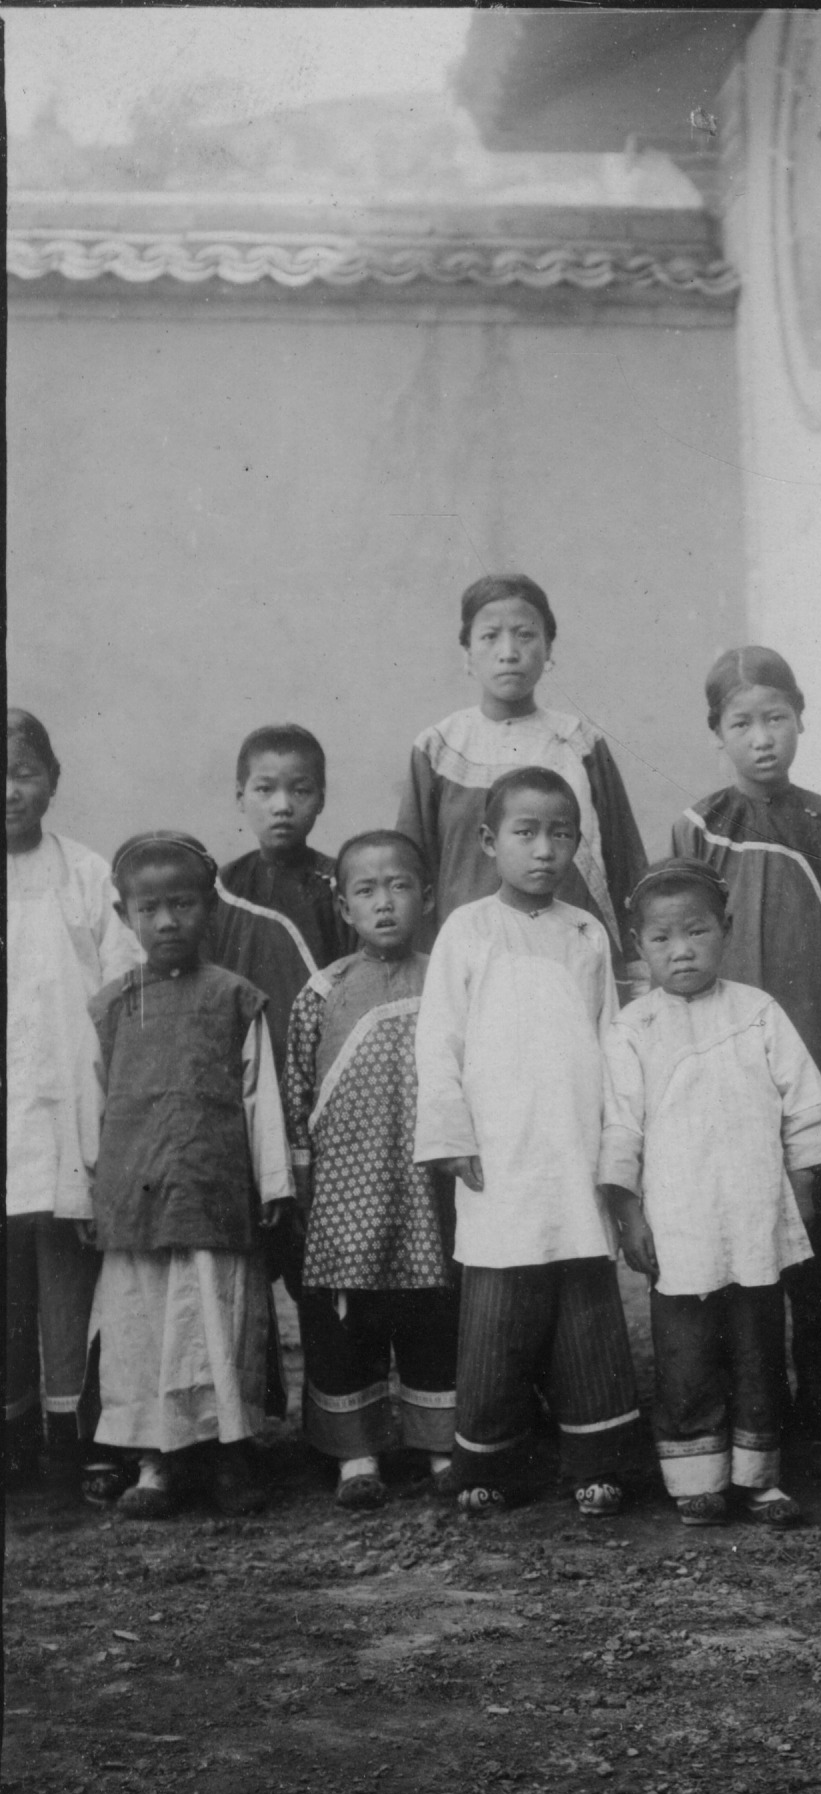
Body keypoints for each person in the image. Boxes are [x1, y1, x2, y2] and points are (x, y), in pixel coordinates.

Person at [413, 766, 644, 1518]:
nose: (545, 850)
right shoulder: (467, 929)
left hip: (573, 1147)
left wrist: (614, 1154)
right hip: (500, 1153)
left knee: (583, 1299)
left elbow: (610, 1044)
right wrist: (451, 1133)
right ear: (489, 841)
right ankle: (490, 1460)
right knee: (499, 1307)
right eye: (526, 832)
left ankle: (596, 1461)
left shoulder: (586, 933)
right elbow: (439, 1041)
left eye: (561, 834)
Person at [600, 858, 821, 1528]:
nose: (681, 951)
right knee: (685, 1351)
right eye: (662, 939)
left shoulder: (757, 1012)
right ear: (638, 945)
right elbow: (621, 1126)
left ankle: (757, 1477)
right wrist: (628, 1213)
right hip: (678, 1220)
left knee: (757, 1347)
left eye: (697, 932)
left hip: (752, 1214)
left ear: (727, 930)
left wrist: (802, 1187)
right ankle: (696, 1478)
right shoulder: (632, 1028)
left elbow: (802, 1108)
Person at [670, 647, 821, 1455]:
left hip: (816, 1061)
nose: (762, 739)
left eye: (777, 719)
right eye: (741, 723)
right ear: (715, 731)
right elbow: (677, 946)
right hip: (727, 1069)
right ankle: (749, 1418)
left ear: (800, 721)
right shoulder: (697, 827)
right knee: (740, 1240)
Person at [79, 833, 293, 1519]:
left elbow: (260, 1099)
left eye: (183, 905)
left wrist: (273, 1182)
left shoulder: (235, 999)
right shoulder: (112, 1006)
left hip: (212, 1191)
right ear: (125, 915)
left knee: (216, 1322)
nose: (167, 921)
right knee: (142, 1328)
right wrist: (85, 1191)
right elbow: (91, 1102)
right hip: (134, 1200)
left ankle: (229, 1453)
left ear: (210, 909)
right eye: (150, 909)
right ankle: (156, 1464)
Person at [282, 831, 457, 1509]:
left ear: (427, 896)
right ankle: (356, 1452)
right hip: (346, 1191)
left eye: (399, 886)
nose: (384, 902)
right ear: (343, 905)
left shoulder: (448, 979)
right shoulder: (322, 991)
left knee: (433, 1310)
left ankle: (439, 1442)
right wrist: (304, 1183)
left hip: (429, 1185)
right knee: (346, 1317)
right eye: (366, 889)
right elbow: (298, 1092)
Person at [6, 709, 140, 1500]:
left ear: (52, 781)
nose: (8, 790)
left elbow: (122, 990)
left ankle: (75, 1436)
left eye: (23, 772)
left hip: (65, 1110)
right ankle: (12, 1433)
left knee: (67, 1275)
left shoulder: (85, 874)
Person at [398, 574, 648, 990]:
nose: (509, 653)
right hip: (473, 958)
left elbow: (625, 861)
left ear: (549, 649)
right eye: (490, 637)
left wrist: (637, 965)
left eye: (525, 635)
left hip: (570, 954)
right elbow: (411, 869)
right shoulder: (440, 748)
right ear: (467, 653)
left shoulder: (579, 743)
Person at [208, 723, 353, 1325]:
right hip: (245, 1094)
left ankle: (330, 1378)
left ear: (321, 798)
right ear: (240, 795)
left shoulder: (341, 883)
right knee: (245, 1267)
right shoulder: (220, 889)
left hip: (317, 1096)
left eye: (301, 790)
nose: (283, 805)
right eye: (265, 789)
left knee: (317, 1264)